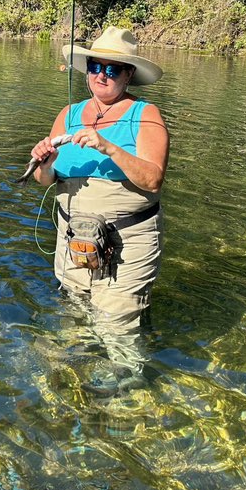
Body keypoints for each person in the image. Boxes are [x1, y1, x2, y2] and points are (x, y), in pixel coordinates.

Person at [29, 26, 169, 336]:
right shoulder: (69, 112)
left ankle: (130, 382)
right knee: (74, 322)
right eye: (95, 67)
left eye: (112, 69)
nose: (101, 75)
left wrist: (108, 147)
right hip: (72, 242)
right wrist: (44, 162)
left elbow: (153, 180)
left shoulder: (146, 115)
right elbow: (45, 179)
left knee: (118, 330)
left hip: (126, 246)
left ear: (128, 75)